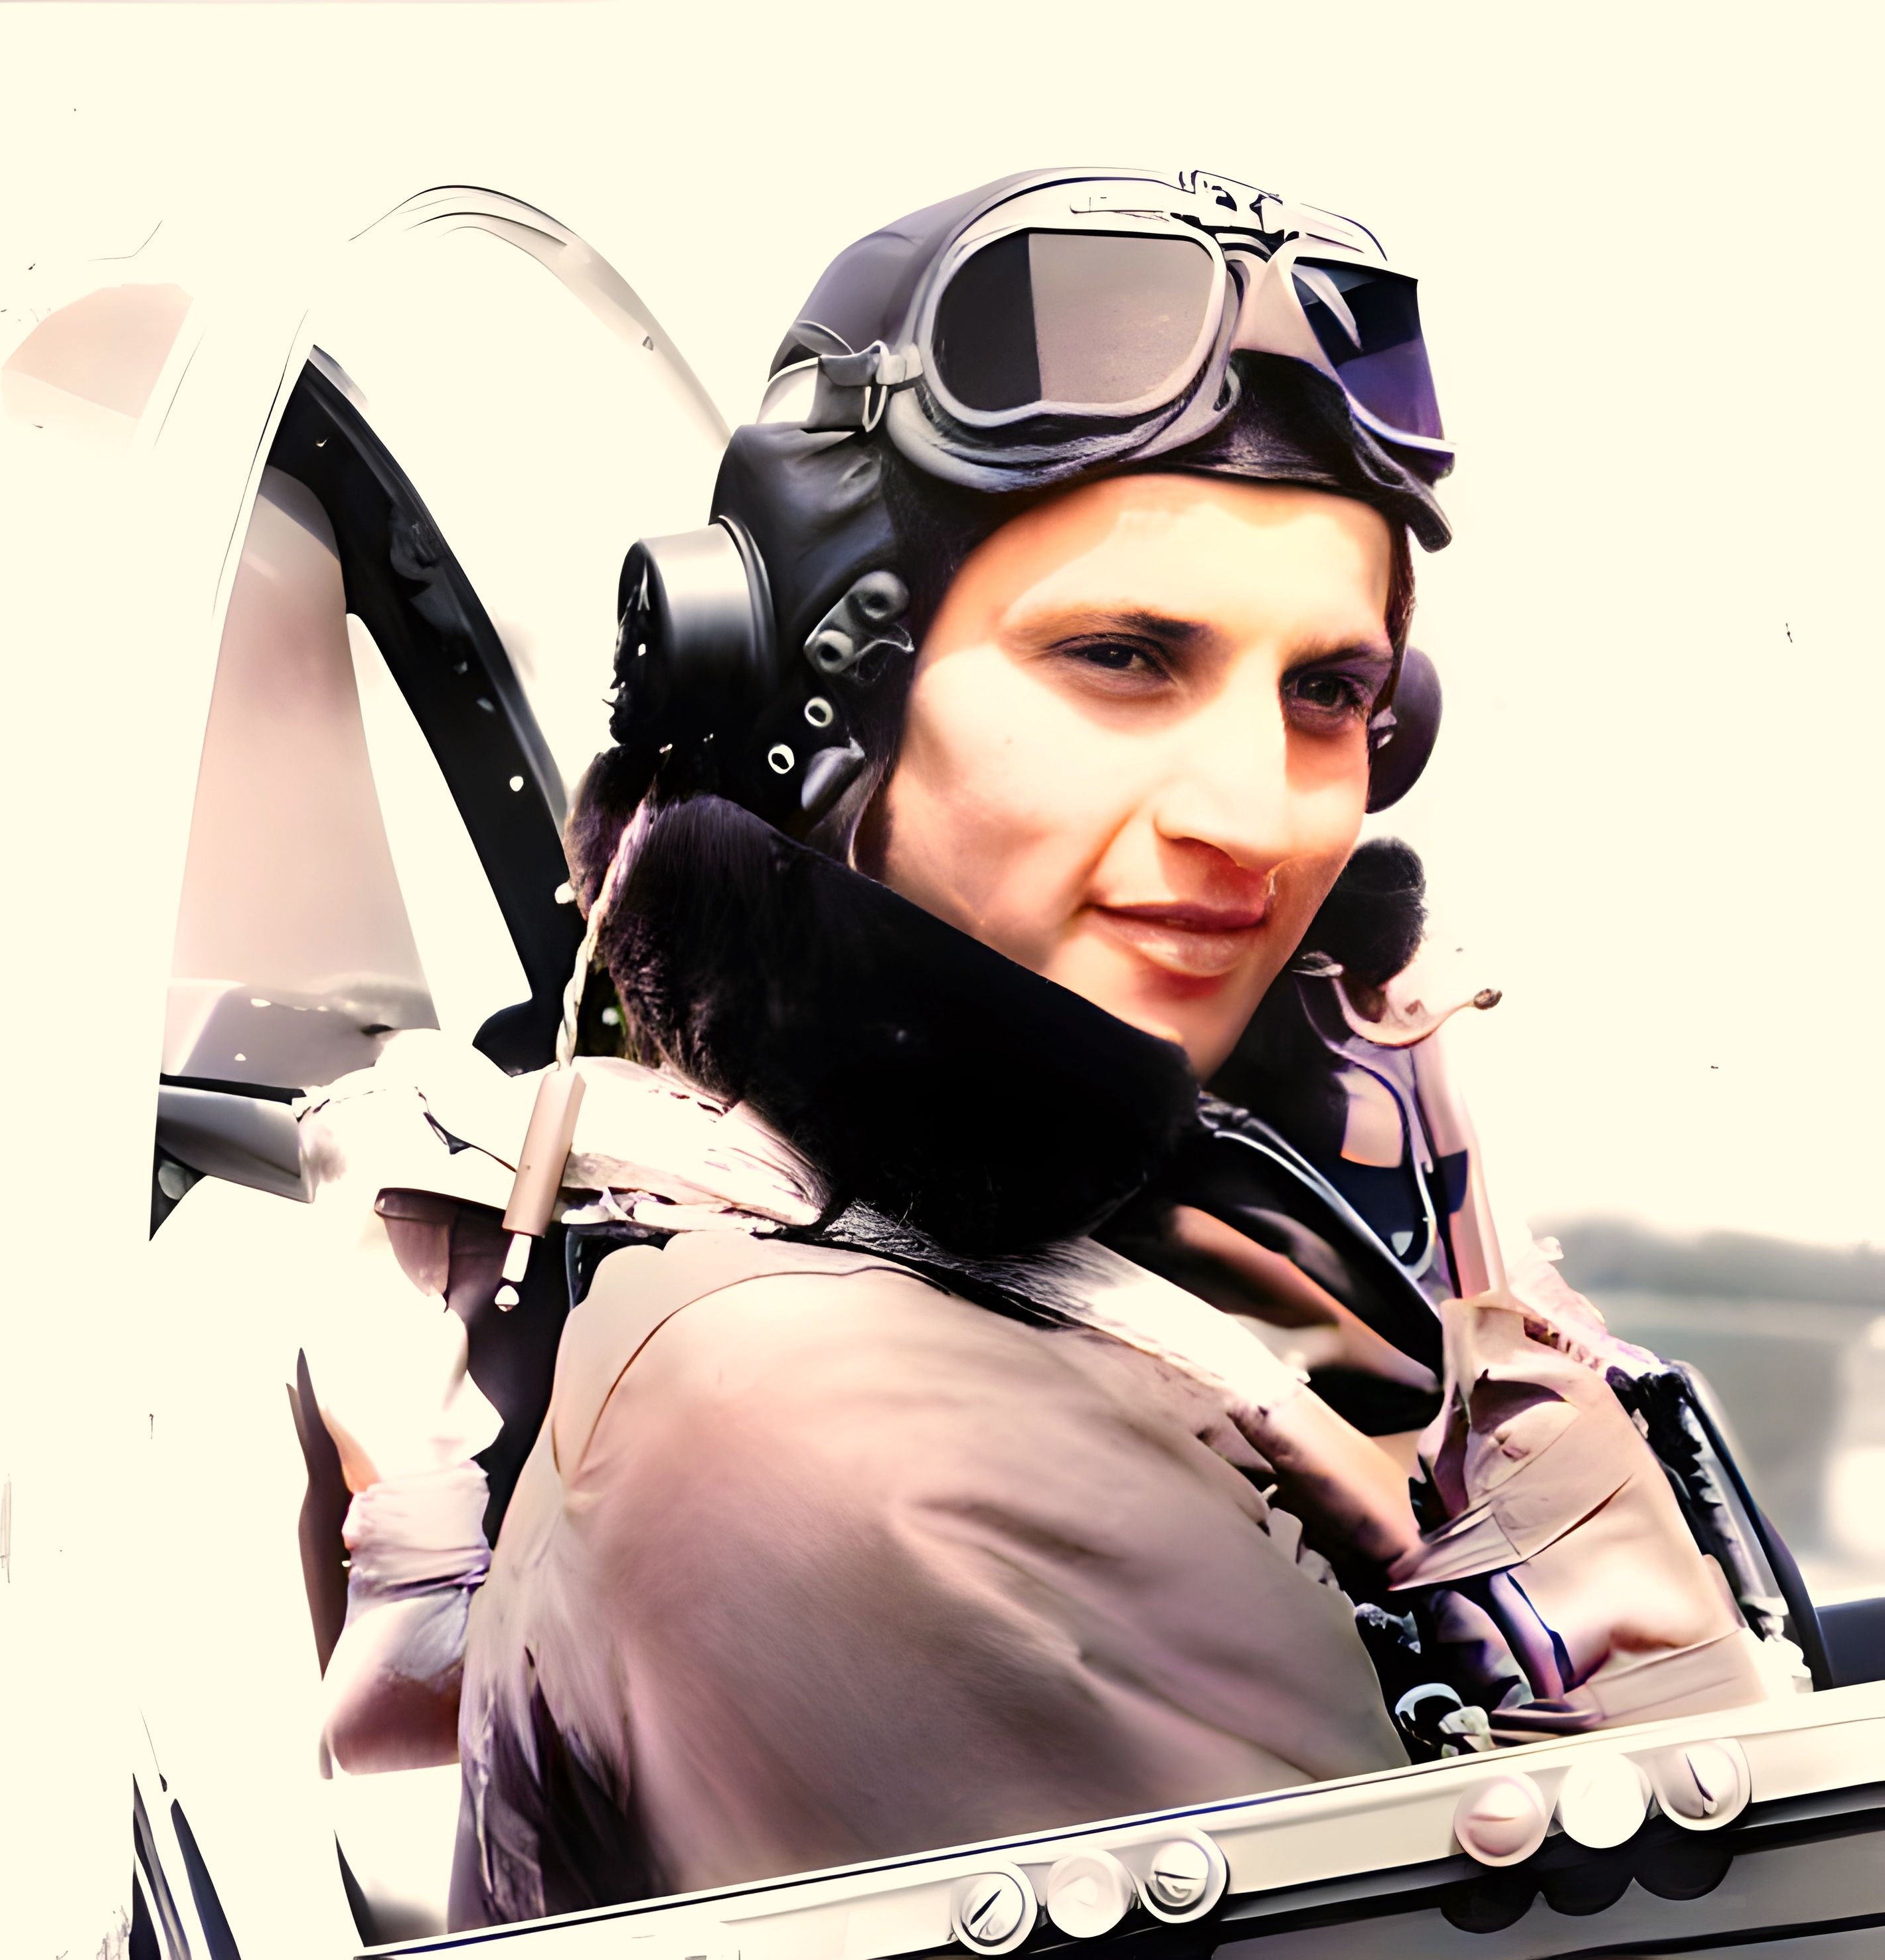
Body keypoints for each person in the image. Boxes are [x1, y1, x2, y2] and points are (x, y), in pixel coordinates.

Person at [292, 167, 1801, 1933]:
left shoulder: (1222, 1245)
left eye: (1327, 692)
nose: (1257, 816)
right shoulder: (842, 1433)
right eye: (1122, 658)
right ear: (813, 700)